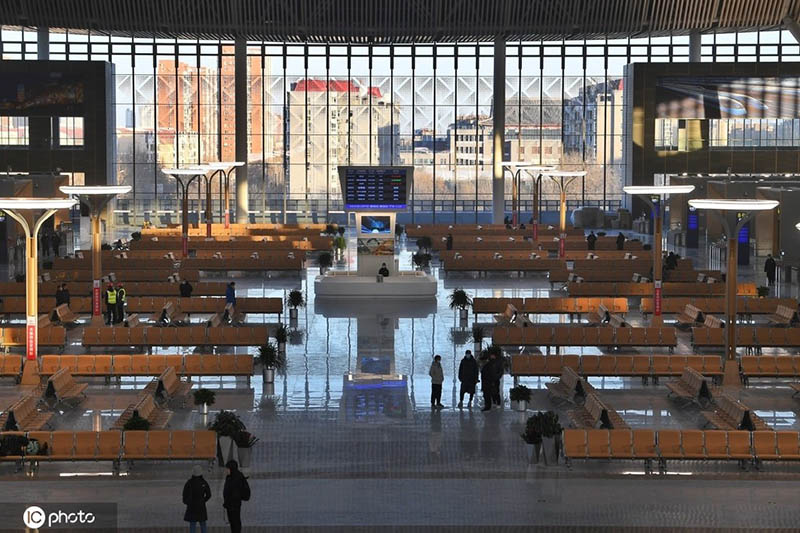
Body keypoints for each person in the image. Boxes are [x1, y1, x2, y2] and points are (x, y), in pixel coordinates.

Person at [223, 460, 250, 533]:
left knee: (235, 522)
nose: (226, 470)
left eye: (227, 469)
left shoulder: (237, 478)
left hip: (234, 504)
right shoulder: (229, 476)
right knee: (233, 522)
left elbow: (234, 493)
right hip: (230, 504)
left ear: (231, 468)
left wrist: (229, 501)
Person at [183, 465, 211, 533]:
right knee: (203, 524)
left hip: (192, 506)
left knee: (192, 525)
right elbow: (209, 494)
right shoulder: (204, 482)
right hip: (201, 506)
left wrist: (187, 502)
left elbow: (184, 494)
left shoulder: (189, 483)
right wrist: (203, 500)